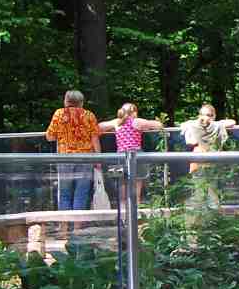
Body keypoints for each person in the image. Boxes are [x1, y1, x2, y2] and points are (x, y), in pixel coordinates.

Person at [44, 89, 101, 233]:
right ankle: (76, 229)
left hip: (64, 158)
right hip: (85, 158)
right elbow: (95, 138)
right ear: (81, 102)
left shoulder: (59, 114)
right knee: (81, 192)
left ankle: (63, 229)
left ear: (66, 100)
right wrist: (99, 158)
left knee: (64, 192)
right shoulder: (89, 115)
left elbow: (49, 136)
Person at [98, 103, 165, 203]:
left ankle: (123, 215)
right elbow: (159, 125)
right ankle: (135, 214)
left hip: (119, 155)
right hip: (136, 155)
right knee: (136, 190)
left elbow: (99, 126)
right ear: (134, 112)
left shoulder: (117, 122)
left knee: (121, 191)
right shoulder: (137, 121)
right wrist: (146, 127)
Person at [178, 104, 235, 173]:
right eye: (205, 115)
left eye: (210, 115)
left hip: (214, 162)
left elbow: (232, 122)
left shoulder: (217, 125)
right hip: (198, 161)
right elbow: (183, 125)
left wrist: (213, 124)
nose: (207, 117)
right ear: (199, 116)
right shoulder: (193, 125)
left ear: (214, 116)